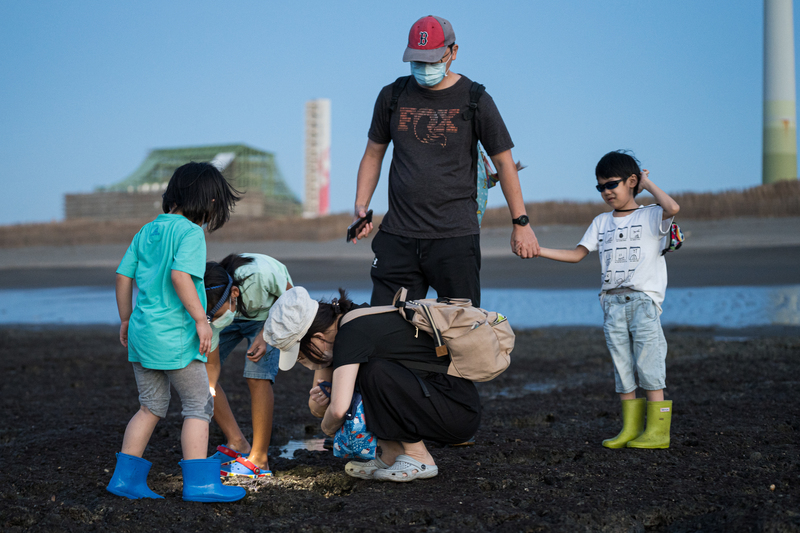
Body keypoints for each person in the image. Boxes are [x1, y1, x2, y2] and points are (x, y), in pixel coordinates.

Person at [351, 15, 540, 307]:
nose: (424, 68)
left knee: (460, 335)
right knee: (385, 330)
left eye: (432, 60)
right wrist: (361, 207)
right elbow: (373, 154)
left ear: (452, 52)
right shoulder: (392, 96)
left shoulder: (475, 99)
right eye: (418, 61)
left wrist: (521, 223)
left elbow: (504, 163)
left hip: (455, 238)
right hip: (398, 236)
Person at [107, 162, 246, 502]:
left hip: (142, 333)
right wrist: (201, 319)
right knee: (199, 406)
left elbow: (123, 277)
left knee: (150, 406)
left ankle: (125, 480)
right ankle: (200, 484)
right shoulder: (189, 233)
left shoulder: (147, 230)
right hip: (175, 336)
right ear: (207, 201)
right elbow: (180, 277)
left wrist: (125, 319)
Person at [536, 151, 680, 449]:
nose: (606, 192)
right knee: (622, 367)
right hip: (611, 304)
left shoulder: (651, 214)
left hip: (642, 302)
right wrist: (538, 250)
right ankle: (629, 429)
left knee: (649, 366)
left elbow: (673, 206)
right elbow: (577, 254)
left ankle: (657, 433)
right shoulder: (601, 222)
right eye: (600, 187)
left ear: (631, 182)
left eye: (611, 184)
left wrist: (647, 183)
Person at [262, 287, 481, 482]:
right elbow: (318, 405)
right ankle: (392, 455)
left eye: (300, 355)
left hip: (456, 411)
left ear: (317, 338)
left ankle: (419, 457)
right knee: (363, 376)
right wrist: (324, 403)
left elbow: (337, 410)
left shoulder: (352, 333)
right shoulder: (344, 323)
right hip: (441, 403)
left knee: (372, 371)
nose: (303, 363)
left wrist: (327, 429)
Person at [203, 253, 293, 478]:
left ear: (234, 293)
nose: (214, 321)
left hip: (273, 312)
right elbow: (211, 365)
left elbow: (292, 300)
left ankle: (260, 460)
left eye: (215, 316)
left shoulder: (260, 276)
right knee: (201, 376)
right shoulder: (212, 313)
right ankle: (237, 444)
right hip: (233, 314)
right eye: (209, 318)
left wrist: (265, 333)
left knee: (257, 374)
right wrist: (208, 387)